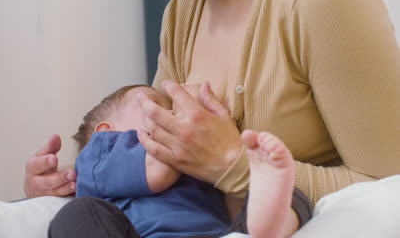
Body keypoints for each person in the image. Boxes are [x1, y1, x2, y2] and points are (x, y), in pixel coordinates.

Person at [24, 0, 400, 236]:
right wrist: (69, 181)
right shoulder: (183, 8)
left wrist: (233, 165)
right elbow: (152, 145)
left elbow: (391, 188)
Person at [48, 84, 312, 238]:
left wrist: (221, 136)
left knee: (291, 195)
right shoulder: (99, 154)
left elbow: (222, 177)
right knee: (77, 215)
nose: (171, 113)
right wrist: (201, 123)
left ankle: (266, 224)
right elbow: (158, 173)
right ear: (105, 130)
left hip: (217, 234)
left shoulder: (190, 161)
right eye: (154, 105)